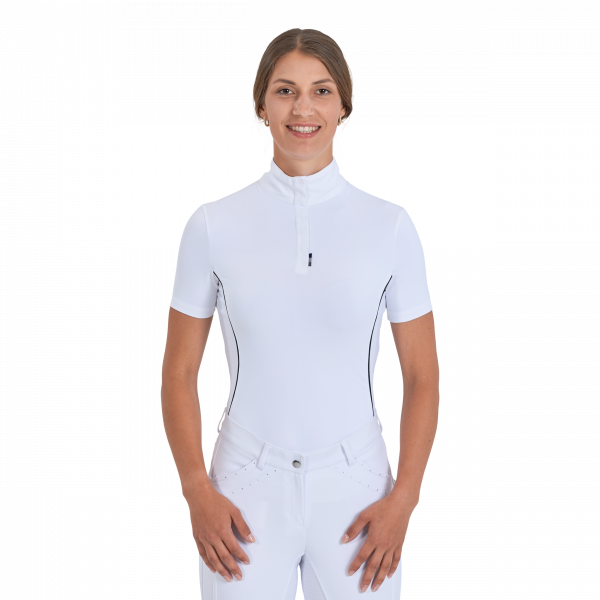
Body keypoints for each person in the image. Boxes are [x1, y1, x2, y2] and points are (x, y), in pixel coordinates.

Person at [161, 26, 439, 599]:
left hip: (357, 485)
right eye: (285, 91)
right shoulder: (211, 225)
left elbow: (422, 376)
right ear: (262, 107)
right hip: (243, 486)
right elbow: (179, 372)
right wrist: (196, 491)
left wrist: (404, 498)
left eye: (320, 91)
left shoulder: (390, 227)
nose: (303, 108)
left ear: (343, 105)